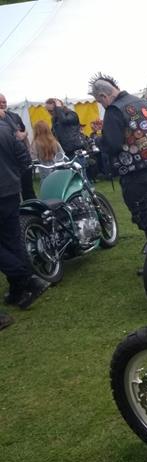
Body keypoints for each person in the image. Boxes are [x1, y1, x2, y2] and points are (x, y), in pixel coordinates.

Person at [89, 73, 147, 240]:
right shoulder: (144, 102)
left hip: (136, 173)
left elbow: (113, 145)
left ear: (103, 95)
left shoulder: (114, 110)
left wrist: (98, 140)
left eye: (100, 101)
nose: (102, 104)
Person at [0, 122, 49, 311]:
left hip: (8, 189)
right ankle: (18, 289)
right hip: (11, 190)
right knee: (12, 240)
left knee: (10, 240)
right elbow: (23, 158)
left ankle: (26, 280)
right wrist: (14, 178)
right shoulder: (5, 127)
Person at [0, 93, 36, 200]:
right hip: (6, 164)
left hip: (21, 160)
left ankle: (33, 214)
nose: (2, 104)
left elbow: (23, 133)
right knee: (10, 196)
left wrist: (24, 140)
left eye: (4, 102)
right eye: (0, 102)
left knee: (28, 190)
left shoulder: (14, 116)